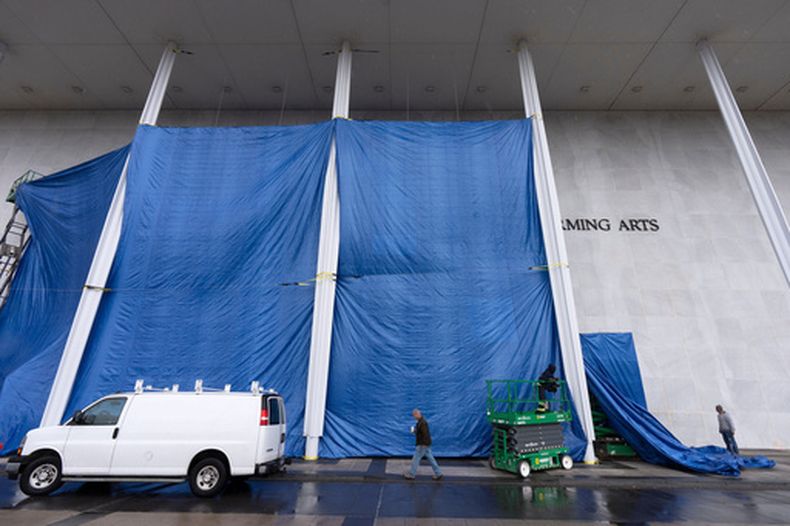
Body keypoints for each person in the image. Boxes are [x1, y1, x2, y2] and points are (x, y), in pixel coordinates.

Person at [404, 409, 443, 480]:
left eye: (414, 415)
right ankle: (438, 473)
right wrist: (415, 431)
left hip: (422, 444)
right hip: (426, 444)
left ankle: (411, 475)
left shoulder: (422, 423)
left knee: (415, 459)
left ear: (417, 414)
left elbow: (424, 434)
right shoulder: (420, 422)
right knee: (431, 459)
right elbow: (422, 433)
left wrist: (422, 444)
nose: (414, 417)